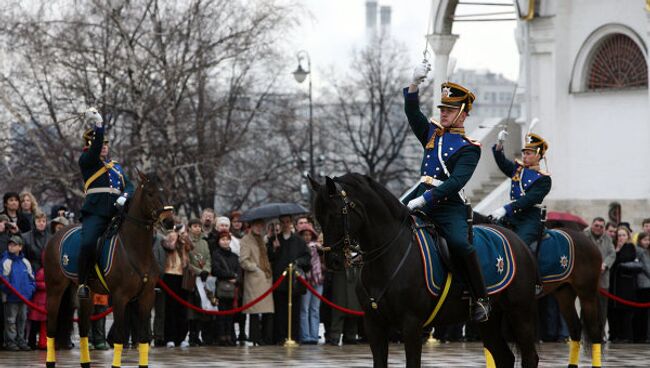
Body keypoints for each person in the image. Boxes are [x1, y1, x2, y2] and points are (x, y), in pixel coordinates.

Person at [402, 61, 489, 322]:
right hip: (420, 196)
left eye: (450, 109)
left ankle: (481, 298)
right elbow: (411, 112)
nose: (443, 113)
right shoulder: (432, 134)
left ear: (463, 113)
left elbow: (455, 183)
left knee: (460, 244)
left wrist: (424, 198)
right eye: (442, 108)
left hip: (448, 205)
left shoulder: (469, 147)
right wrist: (414, 84)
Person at [77, 108, 134, 300]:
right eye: (100, 144)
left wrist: (124, 196)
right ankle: (83, 282)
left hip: (117, 212)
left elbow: (131, 185)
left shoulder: (116, 167)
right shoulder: (87, 161)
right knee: (88, 242)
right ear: (90, 146)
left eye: (106, 145)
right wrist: (99, 125)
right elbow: (94, 148)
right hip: (96, 212)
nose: (103, 147)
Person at [267, 215, 311, 344]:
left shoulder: (299, 240)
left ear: (291, 223)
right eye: (283, 222)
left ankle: (294, 337)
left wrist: (297, 262)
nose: (285, 224)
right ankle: (280, 337)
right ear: (279, 224)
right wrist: (273, 248)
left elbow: (306, 257)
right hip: (279, 280)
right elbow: (270, 258)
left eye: (288, 222)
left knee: (295, 310)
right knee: (280, 311)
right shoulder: (275, 239)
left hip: (294, 281)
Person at [240, 218, 274, 346]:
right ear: (251, 226)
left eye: (261, 225)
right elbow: (243, 260)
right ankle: (255, 338)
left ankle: (267, 337)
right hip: (255, 279)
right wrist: (255, 269)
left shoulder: (263, 240)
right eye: (256, 225)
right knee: (254, 311)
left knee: (268, 311)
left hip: (266, 278)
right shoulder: (246, 240)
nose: (259, 227)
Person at [1, 236, 36, 351]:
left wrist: (30, 291)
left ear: (20, 247)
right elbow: (3, 279)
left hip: (24, 298)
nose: (11, 246)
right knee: (10, 321)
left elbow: (32, 279)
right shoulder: (6, 261)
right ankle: (10, 341)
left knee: (23, 320)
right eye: (10, 244)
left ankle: (21, 340)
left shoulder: (26, 262)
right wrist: (10, 291)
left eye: (14, 244)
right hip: (11, 298)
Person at [584, 217, 616, 341]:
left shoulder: (607, 238)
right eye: (596, 225)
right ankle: (585, 334)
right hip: (586, 280)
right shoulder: (584, 236)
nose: (598, 228)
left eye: (601, 226)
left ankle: (600, 334)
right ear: (592, 225)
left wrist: (605, 264)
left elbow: (612, 254)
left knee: (602, 309)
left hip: (603, 280)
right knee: (586, 308)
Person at [608, 226, 640, 343]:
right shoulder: (613, 248)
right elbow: (611, 262)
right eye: (619, 235)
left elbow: (625, 259)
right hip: (614, 285)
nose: (621, 238)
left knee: (625, 312)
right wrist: (616, 250)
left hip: (626, 284)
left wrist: (619, 251)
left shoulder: (630, 247)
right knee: (614, 312)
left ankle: (626, 336)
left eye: (623, 235)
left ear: (628, 236)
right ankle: (615, 335)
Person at [211, 230, 241, 346]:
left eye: (227, 239)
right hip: (221, 287)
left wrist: (236, 278)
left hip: (233, 288)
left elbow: (238, 270)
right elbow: (216, 270)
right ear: (219, 241)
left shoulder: (234, 256)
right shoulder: (216, 254)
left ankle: (229, 336)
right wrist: (231, 276)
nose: (225, 241)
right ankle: (221, 337)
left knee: (230, 314)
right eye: (222, 239)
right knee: (222, 313)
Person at [162, 228, 190, 348]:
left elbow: (190, 251)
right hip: (170, 276)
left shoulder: (183, 246)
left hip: (182, 278)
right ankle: (170, 337)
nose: (176, 238)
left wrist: (183, 240)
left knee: (182, 309)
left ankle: (182, 337)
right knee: (170, 309)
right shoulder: (165, 244)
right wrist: (173, 239)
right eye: (172, 237)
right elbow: (169, 246)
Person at [186, 218, 212, 346]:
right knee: (192, 308)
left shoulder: (204, 242)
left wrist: (206, 270)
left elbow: (208, 258)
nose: (197, 228)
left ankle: (200, 334)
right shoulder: (187, 241)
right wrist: (198, 271)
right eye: (194, 226)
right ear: (189, 227)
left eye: (198, 226)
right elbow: (187, 261)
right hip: (192, 278)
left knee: (203, 305)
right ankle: (192, 334)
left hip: (203, 278)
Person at [298, 224, 323, 344]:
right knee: (304, 309)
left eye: (309, 235)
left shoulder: (317, 247)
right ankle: (305, 336)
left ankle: (314, 335)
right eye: (304, 235)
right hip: (305, 281)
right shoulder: (300, 248)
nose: (307, 237)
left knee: (315, 309)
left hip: (318, 280)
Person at [634, 232, 650, 342]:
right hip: (644, 284)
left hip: (644, 284)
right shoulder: (642, 251)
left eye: (648, 240)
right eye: (645, 240)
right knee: (644, 313)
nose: (647, 242)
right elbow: (647, 268)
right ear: (640, 240)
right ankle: (643, 336)